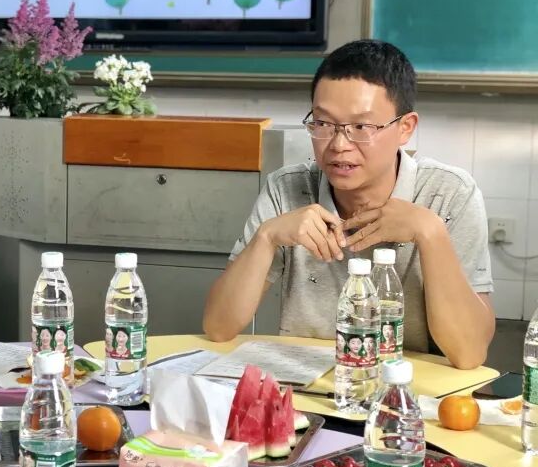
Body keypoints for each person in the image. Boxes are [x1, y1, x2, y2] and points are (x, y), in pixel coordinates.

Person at [203, 40, 494, 369]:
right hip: (311, 384)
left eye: (361, 127)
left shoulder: (450, 193)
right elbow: (218, 327)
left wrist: (431, 234)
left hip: (410, 389)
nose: (339, 145)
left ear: (405, 128)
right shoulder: (286, 188)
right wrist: (266, 237)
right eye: (323, 124)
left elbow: (469, 353)